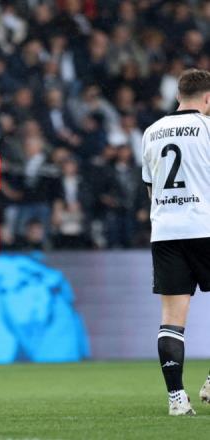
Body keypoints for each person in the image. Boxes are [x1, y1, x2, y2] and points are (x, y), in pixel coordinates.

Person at [142, 69, 210, 416]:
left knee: (171, 320)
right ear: (208, 98)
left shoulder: (151, 132)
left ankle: (176, 400)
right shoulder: (207, 128)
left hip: (166, 231)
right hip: (205, 226)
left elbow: (151, 189)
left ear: (178, 96)